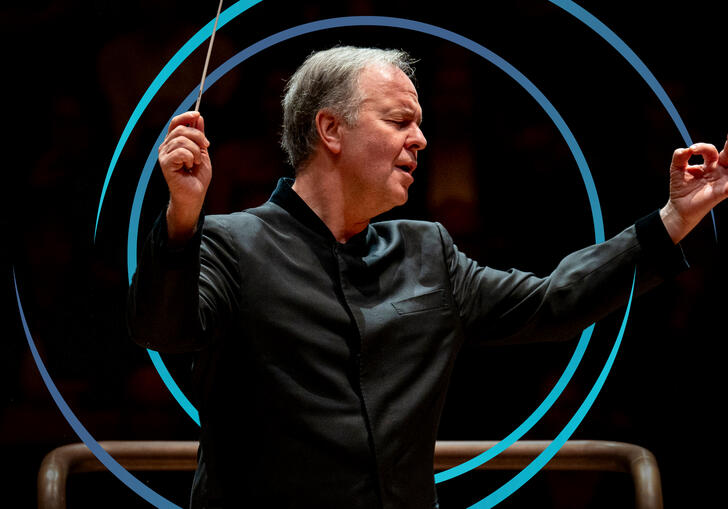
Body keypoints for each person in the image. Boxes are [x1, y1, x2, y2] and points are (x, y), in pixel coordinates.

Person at [127, 46, 728, 509]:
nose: (421, 138)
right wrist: (183, 218)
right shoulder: (231, 243)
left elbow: (555, 301)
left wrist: (675, 218)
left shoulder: (427, 252)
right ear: (330, 130)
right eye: (399, 120)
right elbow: (164, 330)